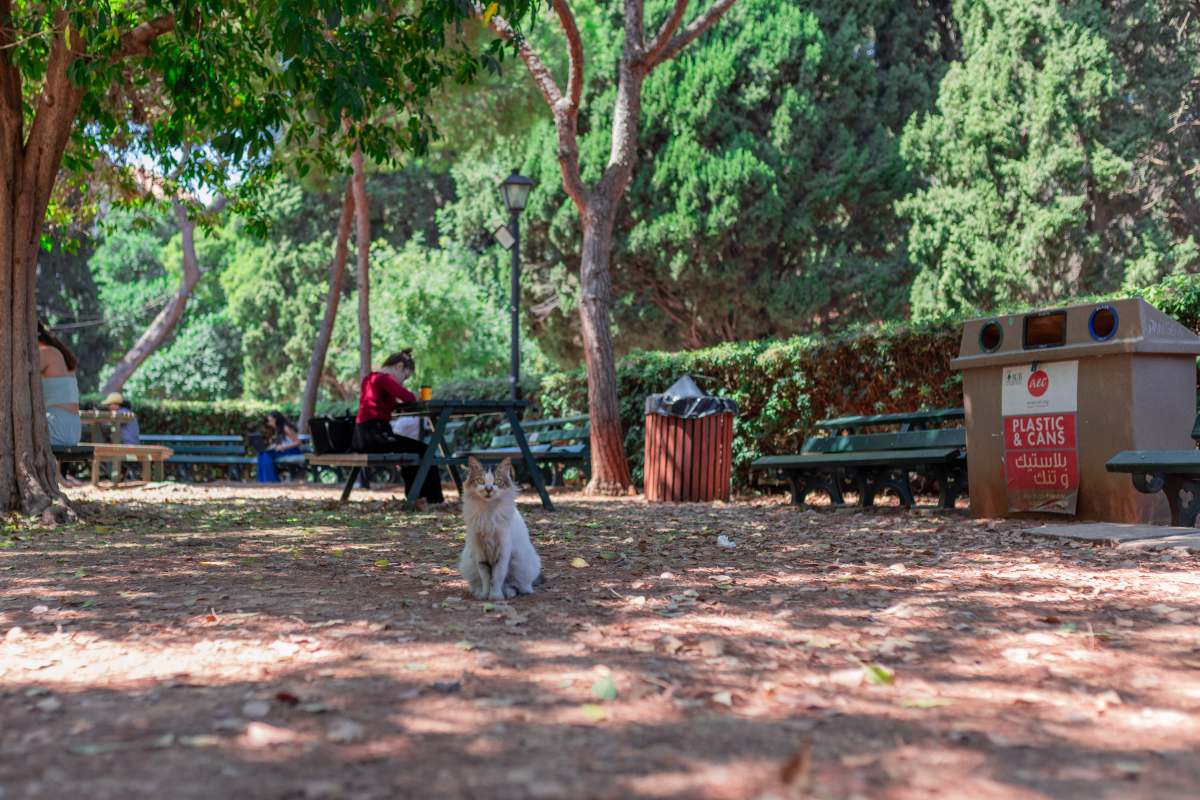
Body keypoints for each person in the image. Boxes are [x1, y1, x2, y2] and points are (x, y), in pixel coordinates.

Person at [352, 349, 444, 504]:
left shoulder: (370, 378)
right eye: (405, 376)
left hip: (360, 436)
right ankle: (434, 499)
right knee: (425, 451)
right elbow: (407, 397)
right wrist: (416, 396)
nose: (402, 382)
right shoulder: (385, 379)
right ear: (399, 366)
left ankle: (417, 497)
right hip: (376, 435)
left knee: (414, 451)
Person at [39, 322, 82, 487]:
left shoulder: (45, 353)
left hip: (57, 426)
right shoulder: (61, 355)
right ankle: (59, 477)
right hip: (73, 429)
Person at [257, 411, 302, 483]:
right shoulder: (279, 428)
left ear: (277, 420)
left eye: (272, 421)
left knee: (266, 454)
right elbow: (285, 442)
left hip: (293, 450)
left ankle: (270, 480)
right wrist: (275, 446)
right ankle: (261, 480)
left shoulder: (286, 428)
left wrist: (284, 447)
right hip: (285, 450)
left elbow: (298, 442)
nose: (270, 424)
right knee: (260, 454)